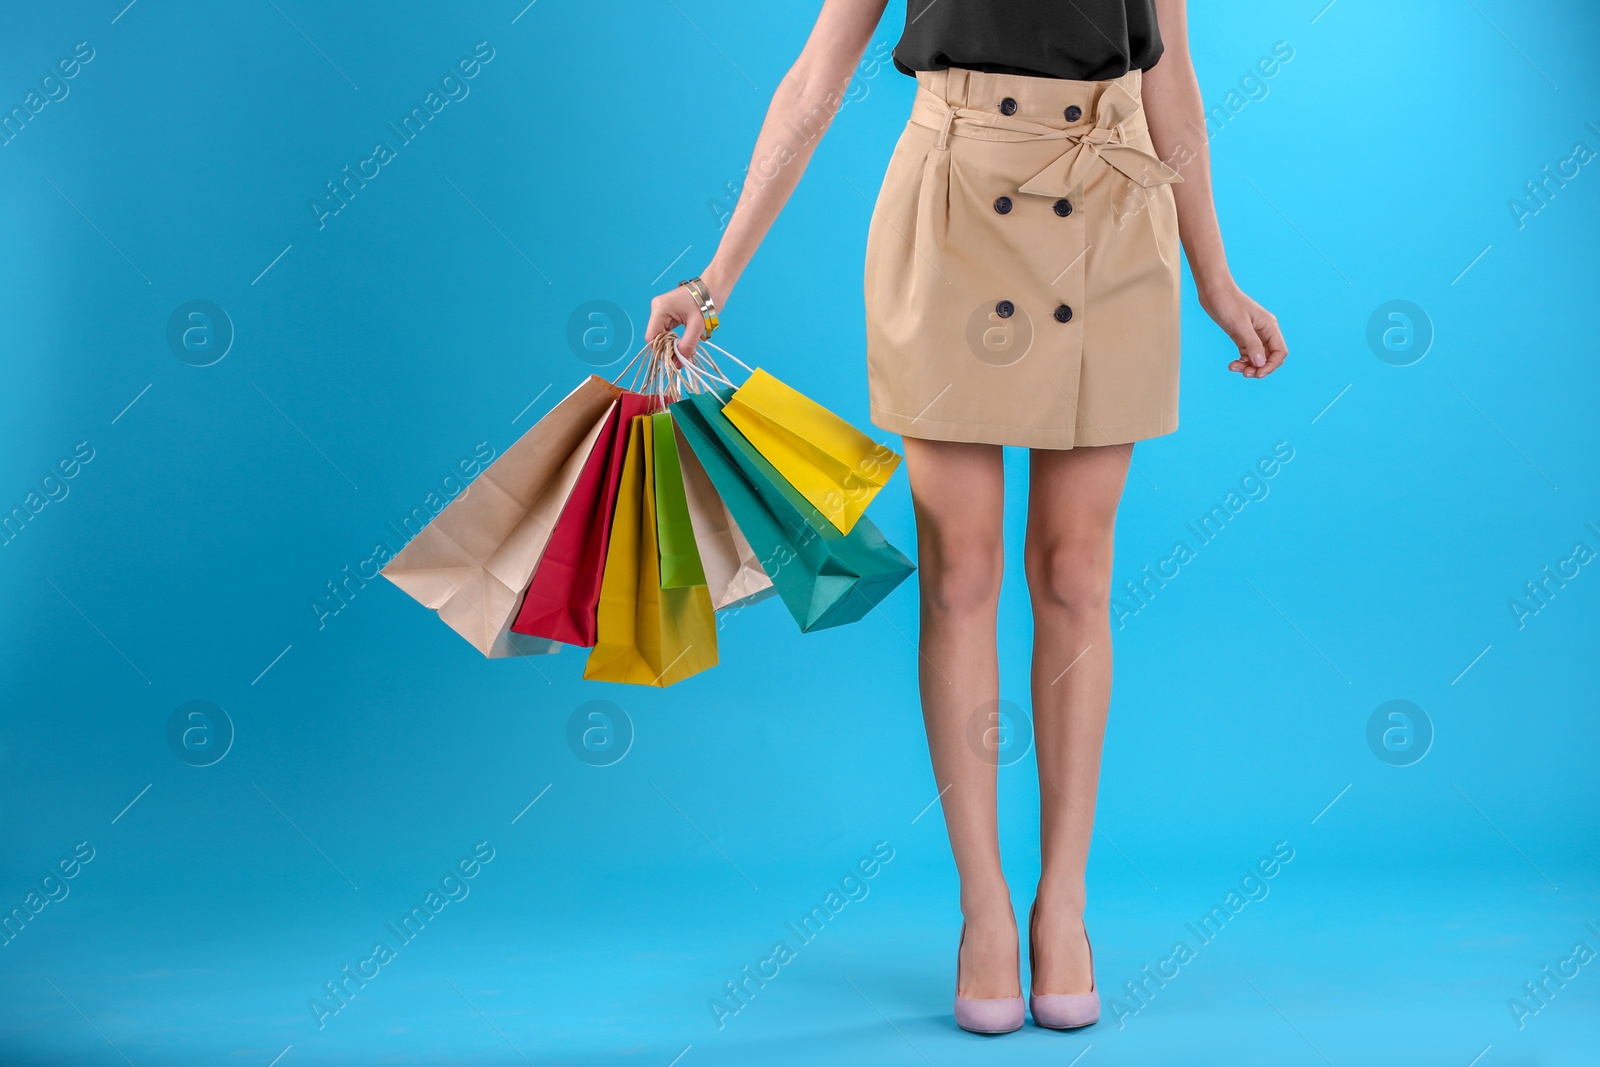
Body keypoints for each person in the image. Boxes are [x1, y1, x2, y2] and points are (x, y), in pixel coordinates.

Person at [647, 0, 1288, 1035]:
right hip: (949, 209)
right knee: (959, 572)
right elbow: (816, 79)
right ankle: (983, 906)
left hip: (1113, 199)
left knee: (1076, 572)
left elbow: (1170, 72)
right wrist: (714, 279)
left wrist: (1215, 275)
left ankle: (1063, 904)